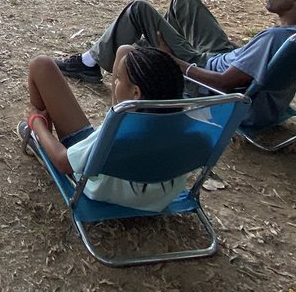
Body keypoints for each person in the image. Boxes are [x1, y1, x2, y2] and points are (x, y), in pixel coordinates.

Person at [56, 0, 296, 127]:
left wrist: (174, 62)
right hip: (227, 57)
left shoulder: (274, 39)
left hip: (209, 76)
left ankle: (91, 62)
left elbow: (224, 84)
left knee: (138, 9)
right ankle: (146, 46)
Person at [19, 46, 188, 211]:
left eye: (118, 79)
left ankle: (38, 142)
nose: (114, 82)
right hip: (155, 197)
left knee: (41, 65)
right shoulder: (188, 128)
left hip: (103, 184)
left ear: (136, 93)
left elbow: (63, 162)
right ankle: (122, 100)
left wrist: (37, 124)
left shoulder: (118, 134)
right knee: (125, 51)